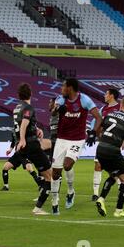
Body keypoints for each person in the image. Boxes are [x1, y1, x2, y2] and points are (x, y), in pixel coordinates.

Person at [51, 78, 102, 214]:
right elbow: (52, 111)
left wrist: (93, 133)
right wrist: (57, 110)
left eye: (63, 86)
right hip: (61, 139)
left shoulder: (84, 100)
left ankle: (70, 191)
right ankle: (54, 201)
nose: (61, 89)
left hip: (77, 140)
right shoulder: (61, 99)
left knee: (67, 165)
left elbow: (98, 117)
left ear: (70, 88)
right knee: (55, 173)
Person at [14, 83, 53, 215]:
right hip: (30, 145)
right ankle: (38, 208)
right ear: (30, 94)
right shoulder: (28, 107)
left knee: (44, 173)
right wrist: (24, 139)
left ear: (19, 95)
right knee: (50, 176)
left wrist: (36, 129)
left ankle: (42, 194)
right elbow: (24, 123)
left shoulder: (17, 108)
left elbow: (23, 123)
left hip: (22, 146)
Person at [90, 89, 121, 201]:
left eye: (106, 94)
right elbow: (97, 122)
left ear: (111, 96)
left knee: (115, 169)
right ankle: (95, 193)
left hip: (115, 141)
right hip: (103, 141)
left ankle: (121, 189)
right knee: (98, 165)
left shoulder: (120, 108)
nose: (104, 95)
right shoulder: (103, 109)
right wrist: (93, 133)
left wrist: (123, 140)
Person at [1, 127, 44, 192]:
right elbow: (13, 141)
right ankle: (6, 186)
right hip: (17, 154)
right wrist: (10, 150)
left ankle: (40, 185)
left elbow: (36, 134)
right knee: (5, 168)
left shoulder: (27, 128)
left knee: (29, 169)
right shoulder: (14, 130)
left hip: (25, 153)